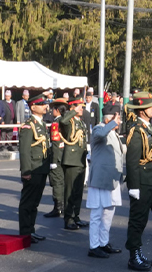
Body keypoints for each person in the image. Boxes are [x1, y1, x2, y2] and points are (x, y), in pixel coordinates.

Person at [125, 92, 152, 271]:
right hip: (140, 180)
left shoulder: (146, 127)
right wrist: (134, 186)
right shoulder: (136, 129)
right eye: (149, 106)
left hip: (147, 179)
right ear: (141, 110)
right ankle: (133, 256)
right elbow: (131, 161)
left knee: (142, 218)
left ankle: (138, 251)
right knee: (137, 219)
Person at [86, 104, 125, 259]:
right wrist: (113, 122)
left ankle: (103, 242)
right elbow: (100, 135)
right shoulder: (99, 128)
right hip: (100, 179)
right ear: (111, 118)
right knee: (96, 213)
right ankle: (93, 246)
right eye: (118, 118)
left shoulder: (113, 132)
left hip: (112, 179)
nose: (120, 121)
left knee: (109, 212)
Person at [18, 95, 51, 244]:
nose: (45, 106)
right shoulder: (28, 125)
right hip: (32, 169)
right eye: (42, 104)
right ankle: (25, 233)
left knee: (35, 203)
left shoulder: (41, 124)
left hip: (41, 168)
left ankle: (31, 230)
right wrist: (26, 171)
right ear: (33, 107)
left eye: (45, 103)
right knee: (27, 203)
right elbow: (24, 151)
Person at [60, 98, 89, 230]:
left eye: (82, 107)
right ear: (72, 108)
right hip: (71, 161)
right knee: (70, 191)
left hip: (80, 160)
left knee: (78, 191)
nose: (81, 109)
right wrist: (72, 111)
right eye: (79, 107)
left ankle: (76, 216)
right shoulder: (69, 121)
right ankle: (68, 218)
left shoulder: (81, 122)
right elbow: (63, 120)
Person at [44, 99, 68, 218]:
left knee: (57, 182)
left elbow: (55, 143)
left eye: (53, 109)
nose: (51, 111)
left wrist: (53, 160)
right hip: (64, 155)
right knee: (62, 181)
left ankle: (58, 207)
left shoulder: (55, 124)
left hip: (57, 156)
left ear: (57, 111)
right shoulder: (66, 122)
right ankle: (62, 206)